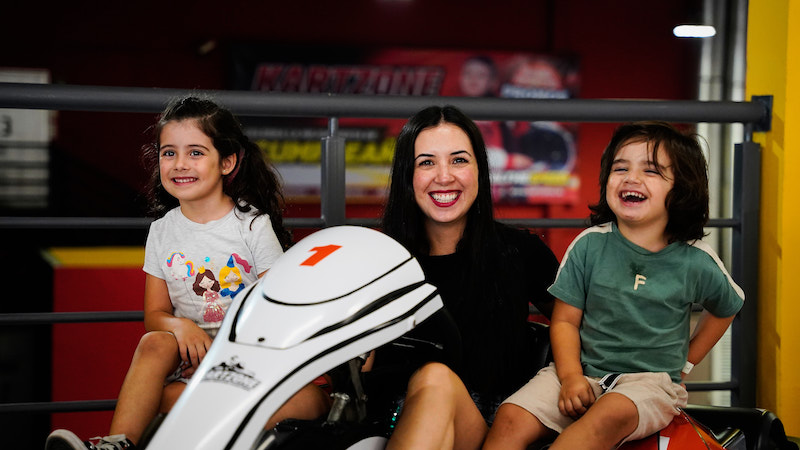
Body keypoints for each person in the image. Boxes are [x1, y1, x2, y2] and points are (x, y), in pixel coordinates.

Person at [46, 96, 330, 450]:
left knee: (312, 404)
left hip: (254, 368)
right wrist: (181, 326)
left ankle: (212, 418)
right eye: (169, 153)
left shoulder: (253, 226)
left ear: (227, 162)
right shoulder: (163, 231)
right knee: (156, 345)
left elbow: (277, 312)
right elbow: (155, 316)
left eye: (195, 152)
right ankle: (115, 445)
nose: (180, 164)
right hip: (193, 376)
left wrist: (225, 359)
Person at [483, 122, 745, 450]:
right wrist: (571, 377)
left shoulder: (697, 260)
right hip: (580, 372)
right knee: (509, 417)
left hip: (649, 385)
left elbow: (728, 306)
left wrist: (687, 360)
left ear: (682, 189)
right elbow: (564, 321)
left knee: (605, 417)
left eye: (650, 171)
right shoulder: (588, 246)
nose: (630, 177)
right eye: (620, 167)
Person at [372, 105, 559, 449]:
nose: (444, 176)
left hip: (488, 433)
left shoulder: (520, 251)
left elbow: (579, 330)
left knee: (436, 377)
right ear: (407, 175)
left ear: (479, 170)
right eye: (427, 162)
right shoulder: (377, 259)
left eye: (459, 160)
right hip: (389, 424)